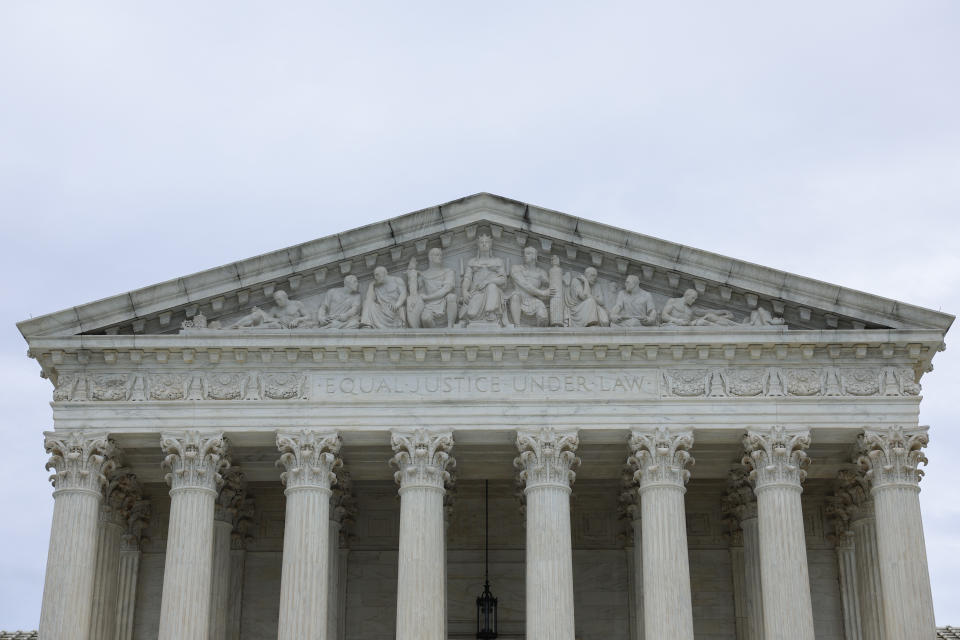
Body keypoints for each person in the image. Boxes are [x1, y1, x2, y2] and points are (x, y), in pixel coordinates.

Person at [459, 234, 507, 326]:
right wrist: (464, 291)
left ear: (491, 244)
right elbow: (467, 279)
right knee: (471, 314)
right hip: (476, 292)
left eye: (487, 242)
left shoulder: (497, 261)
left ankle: (491, 312)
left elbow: (503, 280)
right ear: (478, 244)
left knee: (492, 286)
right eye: (481, 242)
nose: (484, 244)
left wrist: (488, 281)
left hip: (493, 293)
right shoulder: (472, 262)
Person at [406, 249, 457, 328]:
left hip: (444, 302)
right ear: (430, 258)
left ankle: (450, 327)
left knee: (451, 297)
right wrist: (412, 273)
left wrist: (428, 297)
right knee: (425, 318)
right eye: (437, 255)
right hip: (429, 305)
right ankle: (435, 338)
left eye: (440, 255)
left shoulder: (448, 271)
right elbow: (414, 293)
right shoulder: (423, 275)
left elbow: (447, 288)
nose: (440, 257)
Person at [509, 246, 551, 327]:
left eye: (528, 254)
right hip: (520, 299)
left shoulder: (541, 273)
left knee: (543, 316)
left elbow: (551, 286)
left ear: (534, 256)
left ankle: (541, 338)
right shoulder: (516, 268)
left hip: (533, 300)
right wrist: (542, 293)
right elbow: (524, 284)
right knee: (515, 296)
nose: (525, 256)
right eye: (524, 254)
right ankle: (517, 326)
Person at [230, 290, 309, 329]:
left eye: (279, 299)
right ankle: (236, 325)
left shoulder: (296, 304)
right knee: (257, 314)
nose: (277, 302)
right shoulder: (275, 309)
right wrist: (258, 311)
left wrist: (297, 320)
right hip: (277, 323)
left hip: (285, 326)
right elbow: (267, 319)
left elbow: (308, 316)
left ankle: (248, 329)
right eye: (276, 300)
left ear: (285, 297)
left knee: (273, 325)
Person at [661, 289, 738, 326]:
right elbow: (664, 315)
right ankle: (724, 328)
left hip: (690, 325)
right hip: (676, 325)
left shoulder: (690, 308)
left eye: (695, 299)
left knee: (710, 316)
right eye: (693, 298)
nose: (694, 301)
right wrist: (677, 321)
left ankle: (735, 326)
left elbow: (705, 311)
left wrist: (722, 311)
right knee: (702, 322)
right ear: (686, 295)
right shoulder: (673, 301)